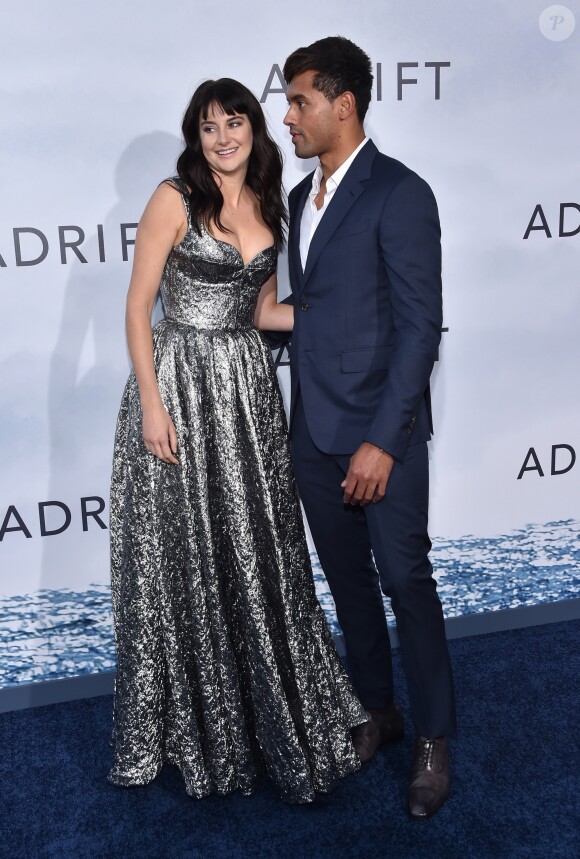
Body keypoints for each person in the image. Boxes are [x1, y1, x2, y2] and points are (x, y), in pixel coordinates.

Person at [108, 77, 366, 804]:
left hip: (246, 392)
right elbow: (136, 308)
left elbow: (261, 310)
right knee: (187, 553)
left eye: (236, 122)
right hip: (179, 386)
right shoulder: (173, 198)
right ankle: (201, 726)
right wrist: (153, 408)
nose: (223, 136)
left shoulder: (271, 203)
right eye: (209, 125)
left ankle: (259, 714)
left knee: (256, 550)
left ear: (255, 128)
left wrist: (339, 314)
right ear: (195, 134)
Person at [282, 37, 457, 818]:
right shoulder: (297, 199)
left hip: (381, 434)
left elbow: (421, 328)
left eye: (299, 101)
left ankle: (432, 737)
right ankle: (380, 713)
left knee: (406, 582)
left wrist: (384, 441)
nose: (286, 117)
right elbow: (320, 308)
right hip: (313, 429)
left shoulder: (401, 192)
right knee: (348, 584)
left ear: (342, 104)